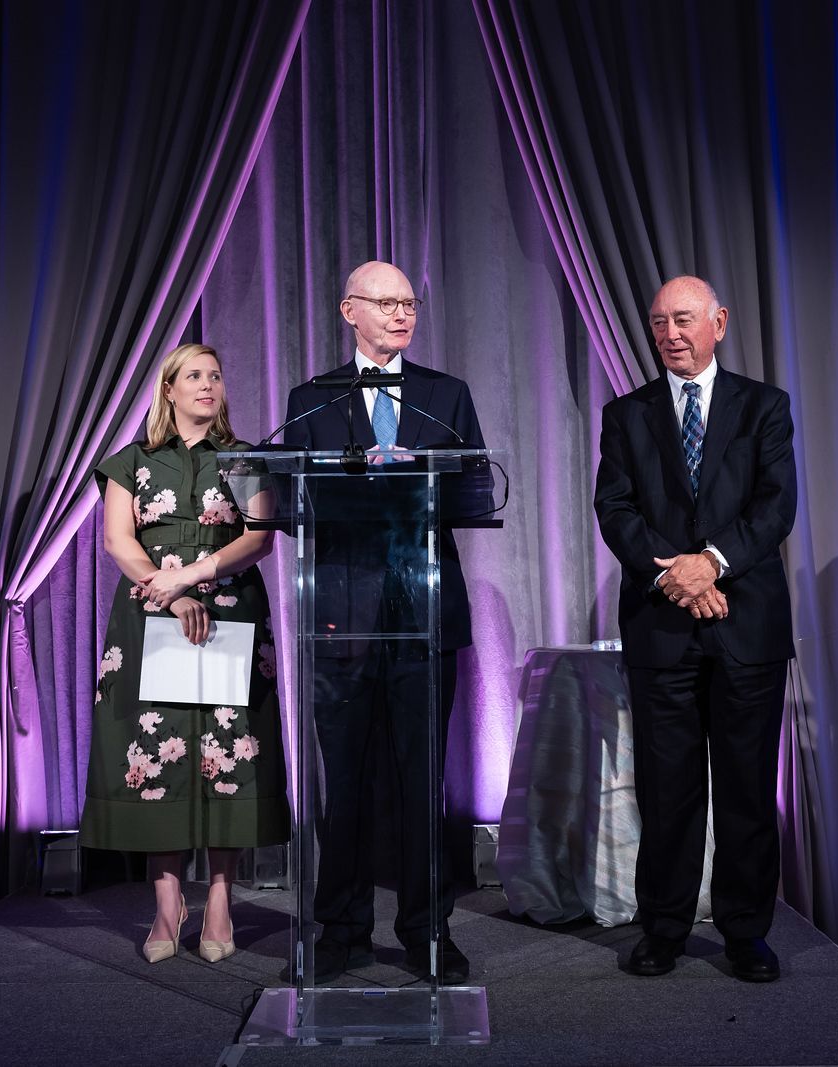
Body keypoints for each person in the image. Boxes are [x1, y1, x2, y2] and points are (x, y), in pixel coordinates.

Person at [282, 261, 486, 984]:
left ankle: (429, 931)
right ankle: (339, 929)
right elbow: (287, 494)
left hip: (425, 615)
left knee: (420, 782)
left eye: (409, 302)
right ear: (349, 311)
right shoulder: (311, 399)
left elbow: (478, 485)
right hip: (342, 617)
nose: (402, 313)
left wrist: (420, 467)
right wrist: (358, 475)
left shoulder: (443, 395)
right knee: (345, 781)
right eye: (387, 302)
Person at [593, 276, 797, 982]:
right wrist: (671, 576)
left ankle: (746, 932)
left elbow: (776, 507)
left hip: (748, 627)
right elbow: (615, 510)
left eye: (682, 319)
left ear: (719, 321)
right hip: (661, 627)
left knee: (745, 787)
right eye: (657, 323)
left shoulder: (765, 407)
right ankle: (665, 928)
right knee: (667, 787)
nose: (670, 332)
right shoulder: (626, 414)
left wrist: (708, 564)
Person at [81, 343, 290, 965]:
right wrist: (169, 594)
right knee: (159, 754)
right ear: (168, 389)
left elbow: (258, 541)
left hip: (230, 612)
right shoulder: (130, 461)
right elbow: (120, 541)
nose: (207, 385)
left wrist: (194, 575)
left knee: (225, 752)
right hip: (150, 615)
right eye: (193, 376)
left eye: (216, 375)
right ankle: (167, 907)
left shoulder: (247, 460)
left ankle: (220, 901)